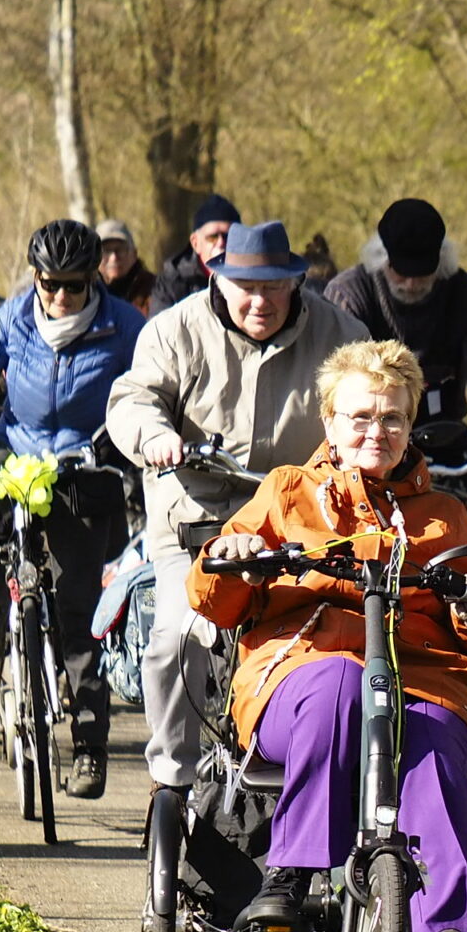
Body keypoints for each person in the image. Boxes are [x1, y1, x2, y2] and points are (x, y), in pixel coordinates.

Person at [188, 340, 467, 932]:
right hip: (301, 670)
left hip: (419, 678)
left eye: (393, 418)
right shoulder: (286, 492)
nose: (378, 431)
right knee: (339, 687)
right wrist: (235, 554)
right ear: (330, 423)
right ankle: (292, 873)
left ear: (410, 423)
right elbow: (215, 594)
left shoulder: (443, 515)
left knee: (432, 744)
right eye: (360, 417)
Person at [105, 220, 359, 827]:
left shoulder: (339, 333)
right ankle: (172, 780)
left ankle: (323, 783)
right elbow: (131, 399)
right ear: (218, 277)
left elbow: (373, 392)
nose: (259, 302)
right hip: (198, 528)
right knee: (178, 637)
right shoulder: (174, 331)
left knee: (339, 650)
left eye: (273, 287)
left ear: (296, 282)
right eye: (245, 286)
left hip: (298, 534)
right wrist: (157, 435)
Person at [0, 220, 147, 799]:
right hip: (17, 446)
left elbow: (151, 389)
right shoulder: (14, 316)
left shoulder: (127, 328)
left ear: (93, 280)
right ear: (34, 278)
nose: (60, 298)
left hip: (84, 461)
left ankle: (89, 747)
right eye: (50, 285)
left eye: (73, 286)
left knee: (79, 613)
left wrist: (123, 436)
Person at [322, 198, 467, 448]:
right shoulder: (348, 295)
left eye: (422, 274)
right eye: (402, 273)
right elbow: (337, 392)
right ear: (381, 257)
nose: (410, 285)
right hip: (370, 441)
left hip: (446, 437)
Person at [148, 193, 239, 315]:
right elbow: (158, 330)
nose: (221, 243)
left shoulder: (254, 278)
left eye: (229, 236)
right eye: (212, 237)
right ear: (195, 243)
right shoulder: (171, 283)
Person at [96, 219, 156, 312]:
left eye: (120, 250)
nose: (114, 257)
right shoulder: (85, 294)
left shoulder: (154, 290)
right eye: (106, 251)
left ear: (134, 254)